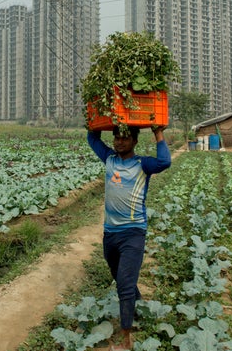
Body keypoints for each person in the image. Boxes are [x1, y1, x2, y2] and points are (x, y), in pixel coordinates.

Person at [87, 125, 171, 351]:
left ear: (134, 141)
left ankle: (126, 339)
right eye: (116, 137)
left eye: (124, 138)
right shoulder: (110, 160)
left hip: (133, 233)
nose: (118, 142)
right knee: (117, 274)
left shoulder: (142, 164)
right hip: (110, 233)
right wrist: (92, 123)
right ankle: (139, 304)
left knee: (124, 284)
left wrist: (158, 133)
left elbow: (164, 162)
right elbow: (92, 139)